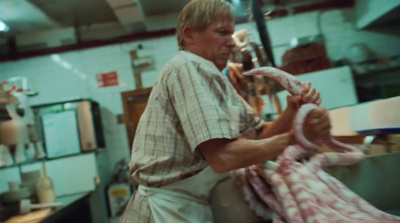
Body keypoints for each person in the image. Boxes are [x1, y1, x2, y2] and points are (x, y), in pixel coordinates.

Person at [119, 0, 331, 222]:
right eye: (222, 33)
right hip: (164, 210)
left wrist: (292, 112)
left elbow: (257, 135)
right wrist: (295, 137)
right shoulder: (186, 66)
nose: (231, 43)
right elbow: (222, 157)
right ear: (190, 35)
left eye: (231, 33)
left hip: (189, 205)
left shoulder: (214, 78)